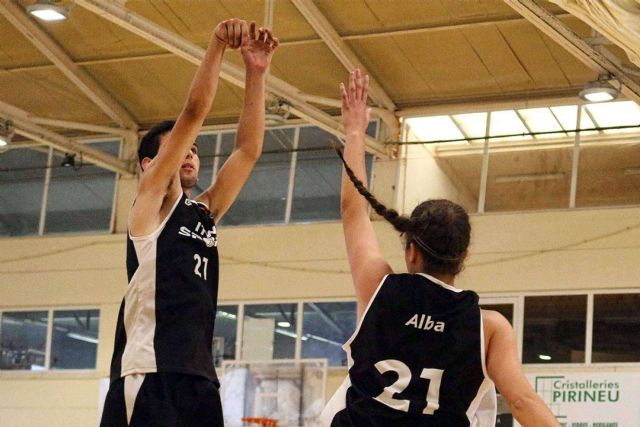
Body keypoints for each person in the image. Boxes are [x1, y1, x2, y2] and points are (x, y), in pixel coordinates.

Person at [320, 69, 559, 427]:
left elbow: (353, 212)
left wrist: (355, 132)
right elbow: (523, 402)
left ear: (411, 251)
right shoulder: (488, 327)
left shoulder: (379, 289)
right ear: (463, 256)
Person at [100, 19, 278, 426]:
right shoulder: (149, 208)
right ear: (150, 165)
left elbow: (248, 150)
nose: (191, 154)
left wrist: (256, 73)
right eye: (180, 148)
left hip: (199, 378)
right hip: (149, 373)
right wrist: (216, 45)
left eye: (195, 150)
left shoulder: (203, 213)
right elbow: (195, 111)